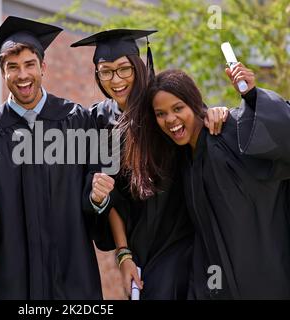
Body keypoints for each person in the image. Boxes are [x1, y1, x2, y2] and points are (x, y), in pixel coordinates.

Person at [71, 29, 228, 299]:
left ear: (138, 67)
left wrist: (218, 112)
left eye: (124, 69)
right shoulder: (97, 120)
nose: (116, 80)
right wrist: (123, 255)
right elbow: (112, 197)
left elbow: (196, 123)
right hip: (140, 245)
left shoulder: (160, 102)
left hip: (183, 237)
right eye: (106, 71)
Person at [0, 16, 103, 299]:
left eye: (29, 65)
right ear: (3, 73)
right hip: (14, 274)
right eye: (12, 67)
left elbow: (93, 192)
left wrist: (98, 198)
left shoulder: (75, 120)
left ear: (43, 67)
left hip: (70, 269)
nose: (22, 75)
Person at [129, 64, 290, 299]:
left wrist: (252, 96)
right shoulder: (182, 160)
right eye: (160, 114)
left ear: (194, 103)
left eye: (178, 108)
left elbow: (280, 136)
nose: (170, 119)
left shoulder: (230, 133)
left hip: (265, 277)